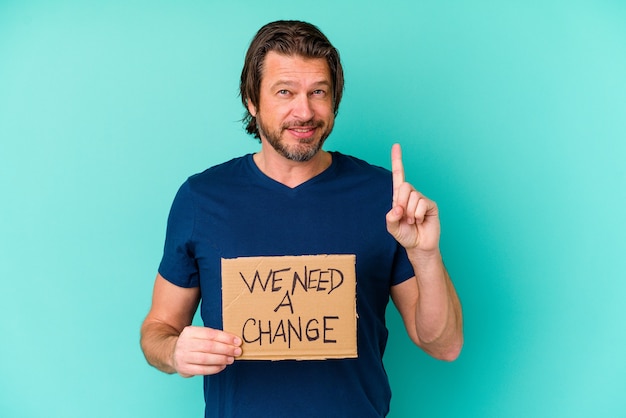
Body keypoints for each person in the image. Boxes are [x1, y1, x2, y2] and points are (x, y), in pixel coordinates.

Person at [140, 20, 463, 418]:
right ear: (251, 100)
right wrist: (174, 352)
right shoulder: (201, 198)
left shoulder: (385, 198)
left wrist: (426, 254)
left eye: (318, 93)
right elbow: (156, 330)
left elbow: (443, 344)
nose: (304, 111)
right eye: (284, 92)